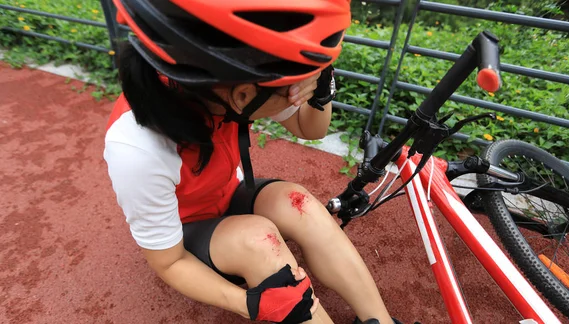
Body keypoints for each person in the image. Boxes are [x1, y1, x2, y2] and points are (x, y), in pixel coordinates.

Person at [103, 0, 401, 323]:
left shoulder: (223, 80)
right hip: (187, 232)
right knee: (258, 241)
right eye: (292, 87)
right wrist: (249, 302)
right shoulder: (135, 148)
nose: (295, 94)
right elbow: (169, 263)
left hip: (227, 193)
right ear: (243, 96)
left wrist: (319, 87)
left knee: (298, 203)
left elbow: (310, 128)